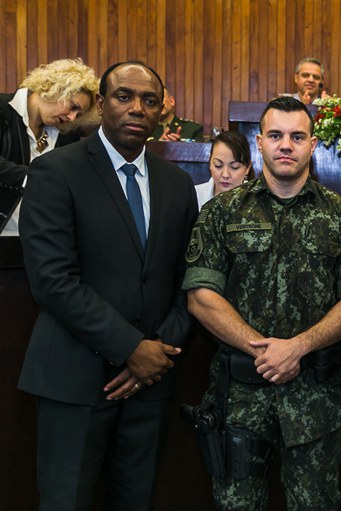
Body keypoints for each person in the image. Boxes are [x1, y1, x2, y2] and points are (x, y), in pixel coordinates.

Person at [17, 60, 198, 510]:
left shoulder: (178, 185)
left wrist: (157, 353)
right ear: (100, 104)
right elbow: (53, 281)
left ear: (161, 112)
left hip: (150, 386)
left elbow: (188, 280)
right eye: (124, 96)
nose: (137, 108)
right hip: (74, 382)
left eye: (149, 100)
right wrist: (131, 349)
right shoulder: (56, 172)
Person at [183, 96, 341, 509]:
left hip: (316, 400)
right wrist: (264, 351)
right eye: (276, 135)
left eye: (297, 137)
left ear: (313, 144)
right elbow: (201, 297)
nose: (286, 145)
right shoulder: (221, 213)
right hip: (239, 399)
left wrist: (297, 347)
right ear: (259, 142)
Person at [1, 57, 99, 235]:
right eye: (73, 106)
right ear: (53, 88)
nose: (72, 118)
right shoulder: (2, 109)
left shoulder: (66, 134)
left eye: (78, 114)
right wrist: (34, 179)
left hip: (43, 238)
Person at [195, 130, 253, 208]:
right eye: (218, 165)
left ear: (248, 168)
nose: (225, 175)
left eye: (234, 167)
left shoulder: (259, 202)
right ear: (210, 163)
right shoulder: (194, 196)